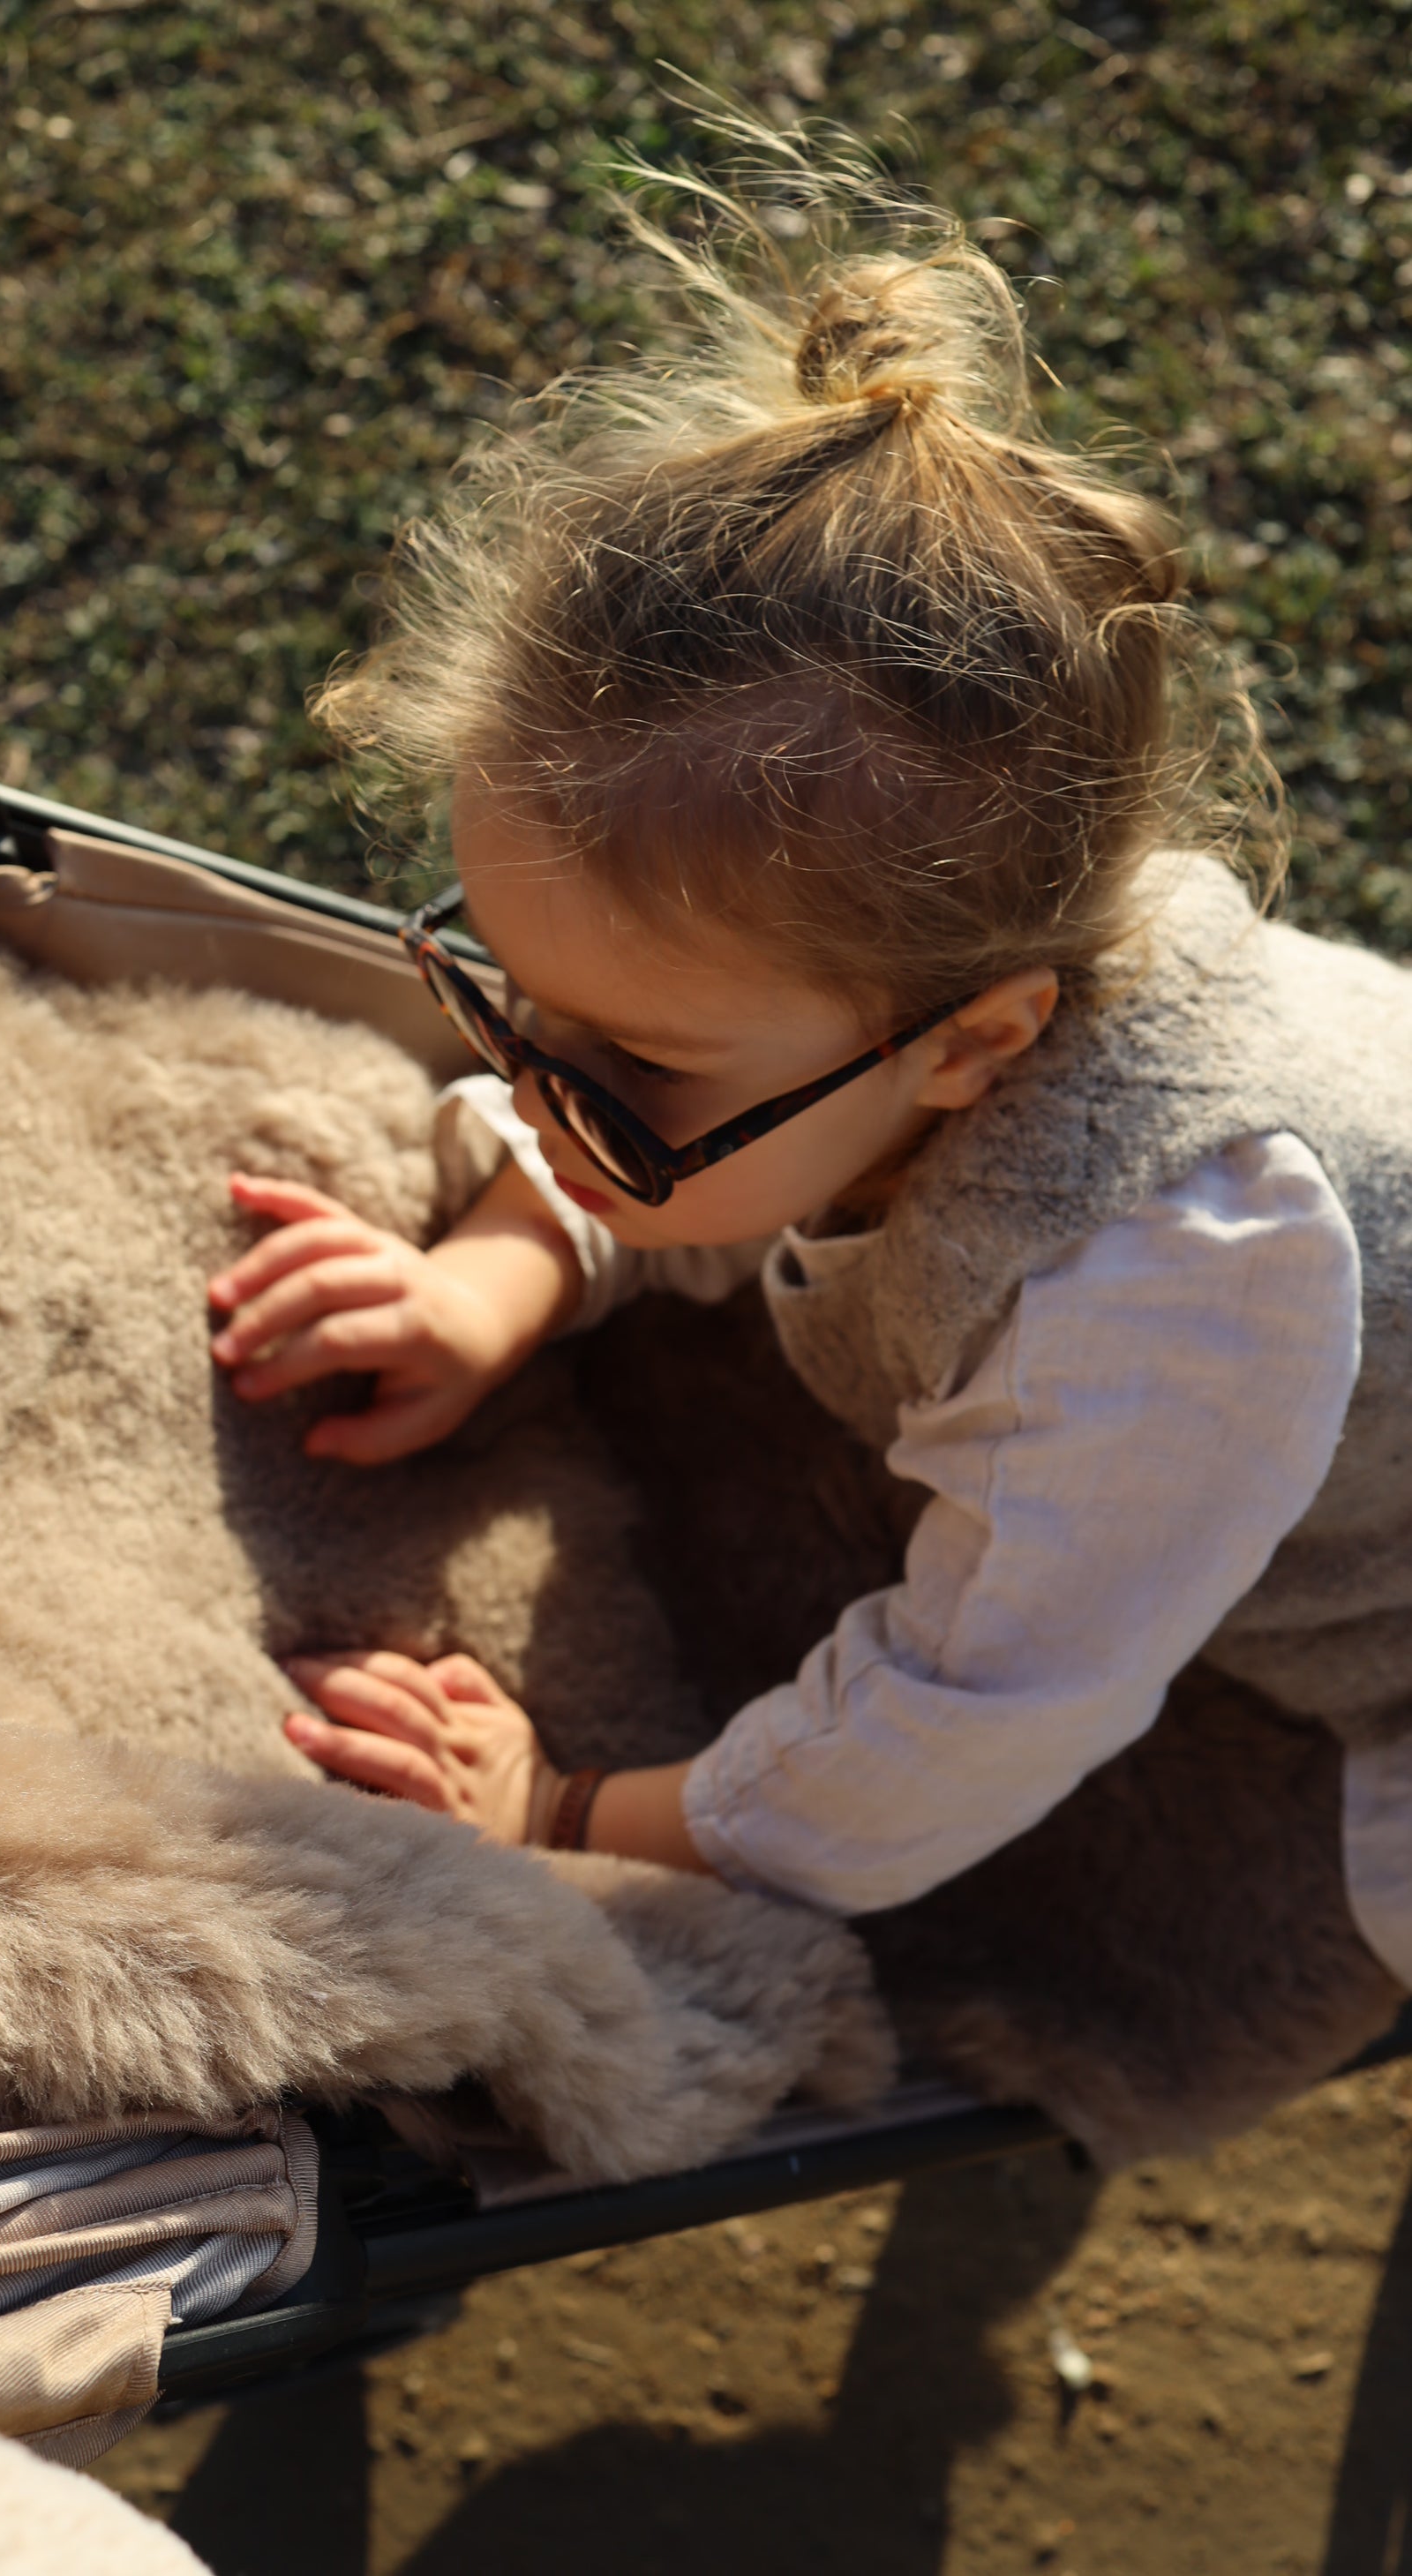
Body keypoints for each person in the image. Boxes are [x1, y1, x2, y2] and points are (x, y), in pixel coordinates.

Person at [207, 132, 1412, 1972]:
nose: (537, 1094)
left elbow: (974, 1707)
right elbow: (731, 1130)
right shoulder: (913, 981)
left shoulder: (1166, 1292)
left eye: (628, 1068)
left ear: (974, 1045)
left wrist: (567, 1812)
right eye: (509, 999)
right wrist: (508, 1265)